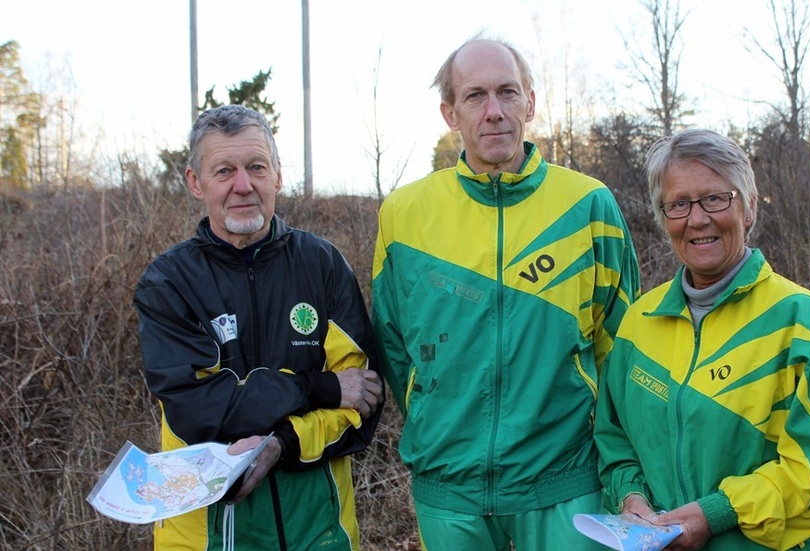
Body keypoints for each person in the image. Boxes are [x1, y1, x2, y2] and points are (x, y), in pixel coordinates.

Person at [370, 35, 641, 551]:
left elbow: (621, 344)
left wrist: (615, 459)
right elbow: (394, 345)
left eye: (508, 93)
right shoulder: (403, 215)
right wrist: (438, 427)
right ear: (450, 113)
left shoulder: (588, 205)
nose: (494, 111)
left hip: (566, 480)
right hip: (449, 488)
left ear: (530, 103)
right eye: (475, 96)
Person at [594, 128, 810, 550]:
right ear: (663, 218)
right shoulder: (637, 324)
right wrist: (630, 498)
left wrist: (716, 514)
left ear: (750, 207)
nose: (697, 219)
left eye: (716, 198)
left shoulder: (804, 321)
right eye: (678, 204)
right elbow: (615, 439)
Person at [133, 104, 384, 551]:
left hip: (321, 529)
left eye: (256, 167)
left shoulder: (322, 265)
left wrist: (285, 442)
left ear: (277, 176)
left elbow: (363, 400)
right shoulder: (168, 282)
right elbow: (201, 411)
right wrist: (320, 388)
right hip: (207, 533)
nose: (243, 185)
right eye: (224, 171)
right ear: (196, 183)